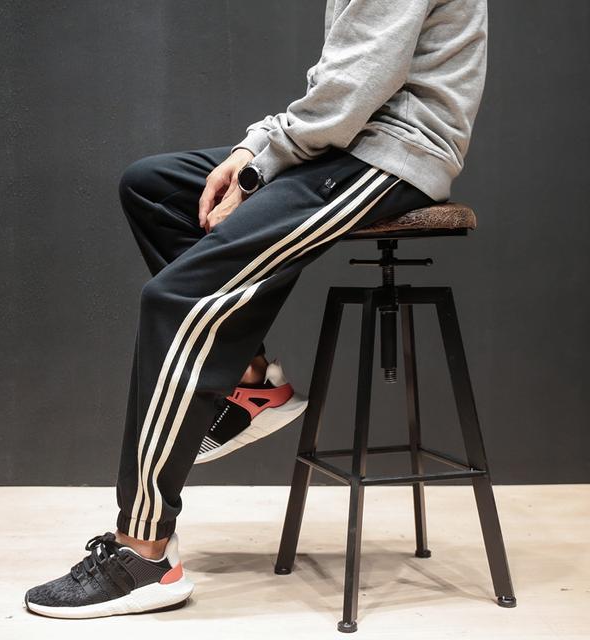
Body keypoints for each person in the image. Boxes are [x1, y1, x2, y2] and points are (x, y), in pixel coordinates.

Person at [24, 0, 488, 619]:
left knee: (176, 298)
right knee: (155, 187)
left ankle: (142, 552)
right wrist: (257, 148)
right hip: (349, 141)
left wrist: (255, 170)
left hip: (391, 154)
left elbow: (351, 89)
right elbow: (340, 82)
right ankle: (250, 385)